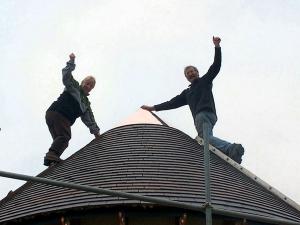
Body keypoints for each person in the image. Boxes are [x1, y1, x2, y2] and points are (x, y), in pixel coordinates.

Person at [141, 37, 244, 164]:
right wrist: (154, 108)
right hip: (211, 116)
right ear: (186, 77)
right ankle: (228, 153)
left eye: (192, 71)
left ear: (197, 72)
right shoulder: (187, 93)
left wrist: (217, 47)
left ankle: (230, 148)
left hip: (202, 115)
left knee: (203, 138)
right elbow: (172, 103)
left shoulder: (204, 81)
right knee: (208, 140)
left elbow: (215, 66)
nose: (190, 73)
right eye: (188, 73)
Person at [44, 53, 100, 166]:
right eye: (87, 83)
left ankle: (52, 161)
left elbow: (89, 119)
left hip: (54, 116)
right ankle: (51, 155)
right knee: (65, 137)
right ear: (83, 82)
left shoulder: (86, 104)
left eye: (91, 86)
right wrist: (71, 61)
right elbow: (66, 75)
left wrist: (96, 133)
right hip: (59, 113)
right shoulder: (74, 86)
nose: (88, 86)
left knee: (60, 140)